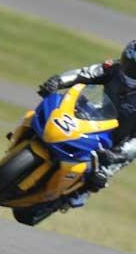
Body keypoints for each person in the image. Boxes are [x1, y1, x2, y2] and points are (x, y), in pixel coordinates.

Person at [37, 40, 136, 206]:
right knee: (55, 114)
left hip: (120, 142)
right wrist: (58, 81)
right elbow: (85, 73)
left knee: (99, 176)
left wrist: (119, 154)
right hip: (97, 116)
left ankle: (79, 193)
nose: (128, 70)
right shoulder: (113, 68)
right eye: (128, 63)